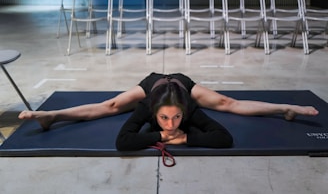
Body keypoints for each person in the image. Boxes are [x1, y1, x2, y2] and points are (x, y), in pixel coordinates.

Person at [19, 72, 319, 146]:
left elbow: (230, 112)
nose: (171, 123)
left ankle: (285, 107)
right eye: (165, 118)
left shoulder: (189, 103)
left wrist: (285, 106)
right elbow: (122, 137)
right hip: (155, 83)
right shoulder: (147, 102)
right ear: (152, 110)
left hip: (181, 84)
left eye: (176, 117)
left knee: (229, 104)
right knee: (109, 105)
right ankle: (52, 116)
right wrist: (161, 136)